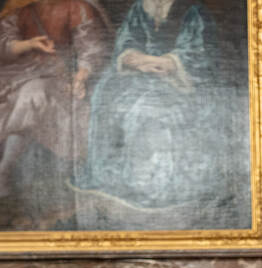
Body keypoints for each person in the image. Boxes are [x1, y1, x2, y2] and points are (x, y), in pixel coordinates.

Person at [76, 0, 229, 216]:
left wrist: (169, 62)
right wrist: (134, 58)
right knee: (105, 95)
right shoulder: (140, 8)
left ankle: (149, 186)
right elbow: (126, 40)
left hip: (183, 84)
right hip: (141, 74)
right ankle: (110, 176)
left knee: (145, 110)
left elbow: (199, 55)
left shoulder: (193, 10)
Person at [0, 0, 110, 199]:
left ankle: (5, 170)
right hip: (18, 69)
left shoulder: (77, 7)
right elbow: (2, 46)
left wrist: (80, 78)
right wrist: (29, 44)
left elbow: (91, 49)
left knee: (32, 96)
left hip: (57, 71)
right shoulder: (20, 6)